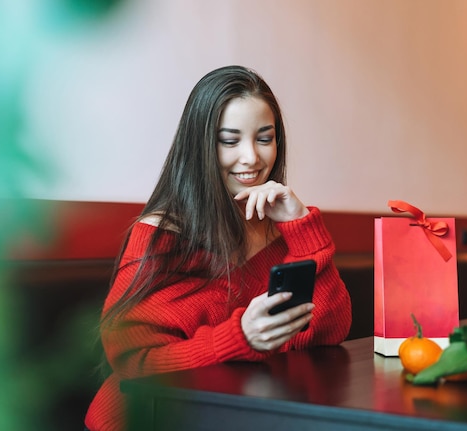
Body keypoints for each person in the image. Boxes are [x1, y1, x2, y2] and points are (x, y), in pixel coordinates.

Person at [84, 65, 352, 431]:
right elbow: (134, 361)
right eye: (230, 140)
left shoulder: (280, 227)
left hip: (241, 417)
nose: (252, 158)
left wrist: (302, 224)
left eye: (264, 138)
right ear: (202, 146)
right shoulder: (161, 235)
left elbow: (329, 333)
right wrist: (240, 337)